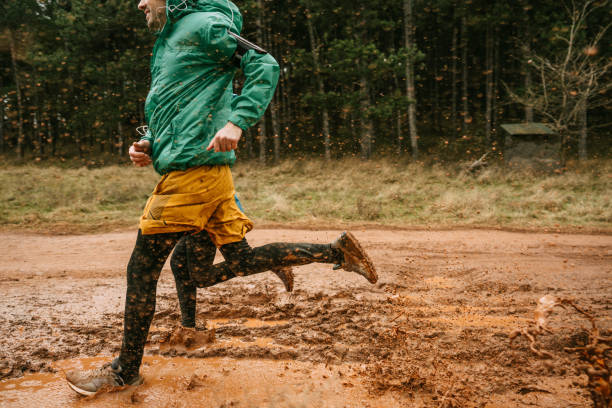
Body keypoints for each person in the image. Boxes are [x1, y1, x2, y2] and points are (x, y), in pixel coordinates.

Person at [65, 0, 377, 396]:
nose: (141, 3)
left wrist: (237, 121)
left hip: (194, 174)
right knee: (236, 262)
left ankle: (125, 371)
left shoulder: (206, 26)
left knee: (141, 272)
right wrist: (148, 143)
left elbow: (264, 63)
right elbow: (177, 105)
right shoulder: (170, 37)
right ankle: (337, 252)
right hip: (205, 172)